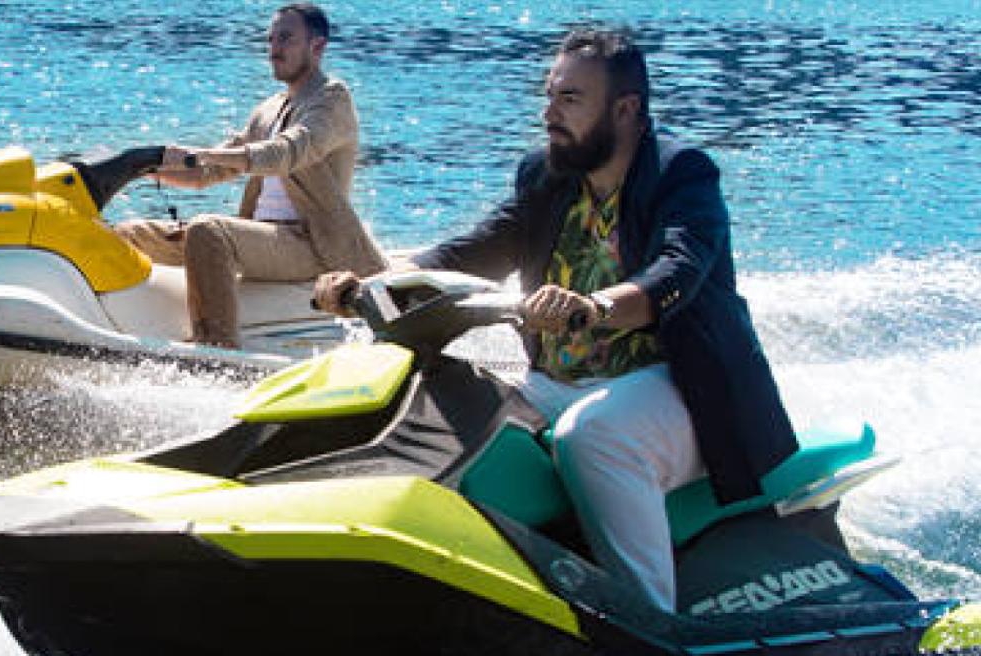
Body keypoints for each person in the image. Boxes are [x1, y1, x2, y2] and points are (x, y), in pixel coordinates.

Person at [313, 27, 798, 613]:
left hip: (682, 390)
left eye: (570, 99)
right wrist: (371, 283)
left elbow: (677, 270)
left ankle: (649, 620)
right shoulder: (547, 175)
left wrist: (594, 307)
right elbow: (478, 247)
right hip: (559, 382)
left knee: (594, 436)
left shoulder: (682, 173)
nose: (549, 114)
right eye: (549, 96)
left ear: (625, 110)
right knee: (457, 416)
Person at [115, 3, 385, 348]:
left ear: (317, 46)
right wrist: (141, 169)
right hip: (264, 235)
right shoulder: (268, 110)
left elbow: (285, 153)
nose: (274, 49)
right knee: (130, 234)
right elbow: (208, 171)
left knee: (208, 230)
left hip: (309, 243)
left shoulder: (332, 100)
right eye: (271, 39)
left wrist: (199, 154)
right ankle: (117, 326)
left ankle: (217, 347)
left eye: (286, 39)